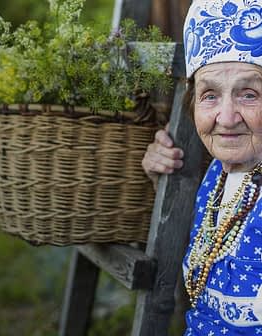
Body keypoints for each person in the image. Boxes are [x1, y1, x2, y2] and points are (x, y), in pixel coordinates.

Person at [142, 0, 262, 335]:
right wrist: (161, 181)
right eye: (210, 95)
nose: (225, 119)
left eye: (249, 95)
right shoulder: (219, 178)